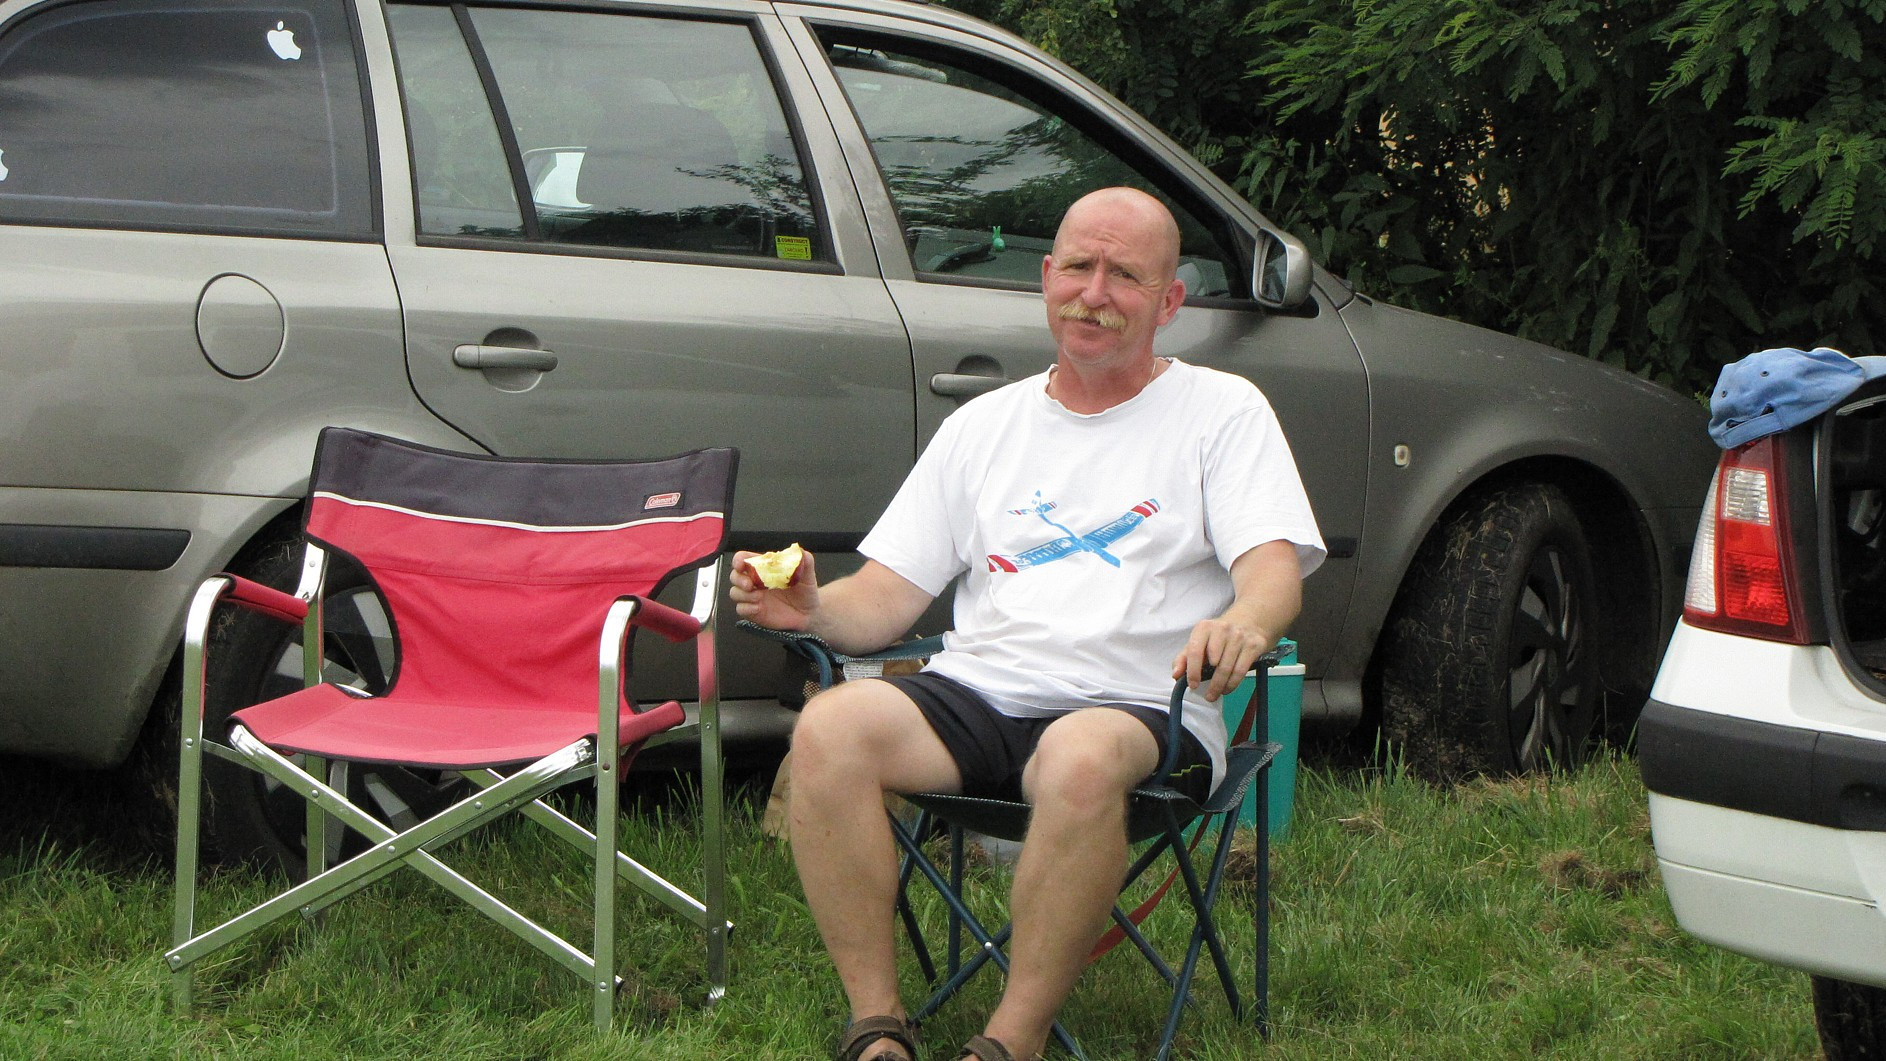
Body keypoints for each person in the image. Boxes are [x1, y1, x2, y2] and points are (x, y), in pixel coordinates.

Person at [731, 186, 1325, 1061]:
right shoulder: (984, 426)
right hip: (980, 693)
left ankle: (1011, 1040)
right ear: (1046, 277)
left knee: (1079, 755)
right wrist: (815, 607)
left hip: (1143, 708)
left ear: (1170, 300)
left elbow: (1271, 571)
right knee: (831, 726)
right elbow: (886, 598)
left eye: (1124, 275)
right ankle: (878, 1024)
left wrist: (1245, 621)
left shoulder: (1222, 412)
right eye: (1078, 266)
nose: (1094, 293)